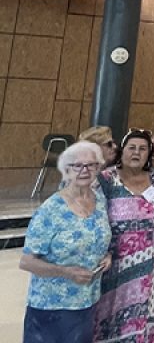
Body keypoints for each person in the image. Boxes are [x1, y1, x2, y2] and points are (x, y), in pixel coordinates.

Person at [20, 142, 111, 343]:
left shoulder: (99, 200)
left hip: (87, 300)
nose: (84, 170)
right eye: (78, 165)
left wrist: (106, 256)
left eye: (91, 165)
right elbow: (26, 261)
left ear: (98, 168)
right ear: (66, 170)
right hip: (51, 306)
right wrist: (67, 272)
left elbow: (98, 239)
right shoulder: (51, 209)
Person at [94, 129, 154, 343]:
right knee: (112, 309)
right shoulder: (106, 179)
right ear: (122, 151)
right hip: (116, 261)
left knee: (147, 312)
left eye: (142, 149)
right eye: (132, 148)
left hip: (152, 263)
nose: (136, 153)